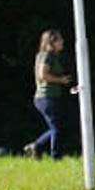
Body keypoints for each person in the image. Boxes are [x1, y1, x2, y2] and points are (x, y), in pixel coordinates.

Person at [26, 30, 72, 160]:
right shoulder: (46, 55)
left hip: (51, 97)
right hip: (46, 97)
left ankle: (36, 146)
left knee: (58, 127)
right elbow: (43, 75)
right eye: (59, 40)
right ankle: (56, 156)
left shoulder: (52, 56)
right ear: (51, 42)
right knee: (57, 128)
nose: (62, 42)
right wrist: (61, 80)